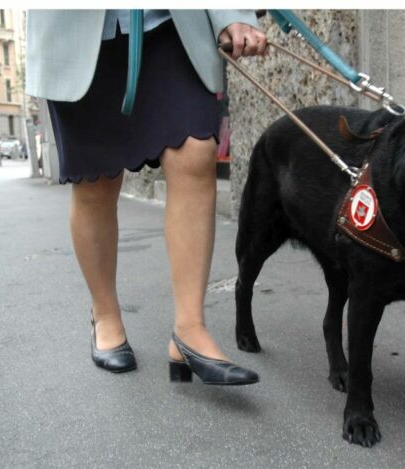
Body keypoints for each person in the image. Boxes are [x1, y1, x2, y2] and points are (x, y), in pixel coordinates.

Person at [26, 10, 267, 385]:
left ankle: (190, 329)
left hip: (172, 23)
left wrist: (232, 13)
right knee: (96, 180)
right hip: (76, 30)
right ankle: (105, 315)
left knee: (196, 151)